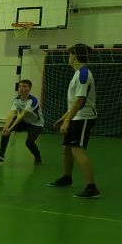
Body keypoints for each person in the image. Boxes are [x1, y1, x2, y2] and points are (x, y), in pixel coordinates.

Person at [49, 43, 101, 198]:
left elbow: (80, 101)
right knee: (66, 148)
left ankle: (92, 188)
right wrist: (64, 118)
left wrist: (67, 121)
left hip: (83, 117)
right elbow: (74, 102)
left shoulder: (84, 74)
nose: (68, 57)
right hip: (75, 116)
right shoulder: (78, 73)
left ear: (75, 56)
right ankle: (67, 178)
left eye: (70, 54)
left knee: (77, 149)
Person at [0, 79, 42, 164]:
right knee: (5, 130)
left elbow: (21, 115)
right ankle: (1, 154)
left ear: (29, 88)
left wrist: (10, 128)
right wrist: (6, 127)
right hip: (24, 122)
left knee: (29, 143)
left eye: (24, 86)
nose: (21, 88)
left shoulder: (32, 100)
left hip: (36, 124)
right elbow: (12, 114)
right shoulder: (16, 100)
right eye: (20, 86)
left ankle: (37, 156)